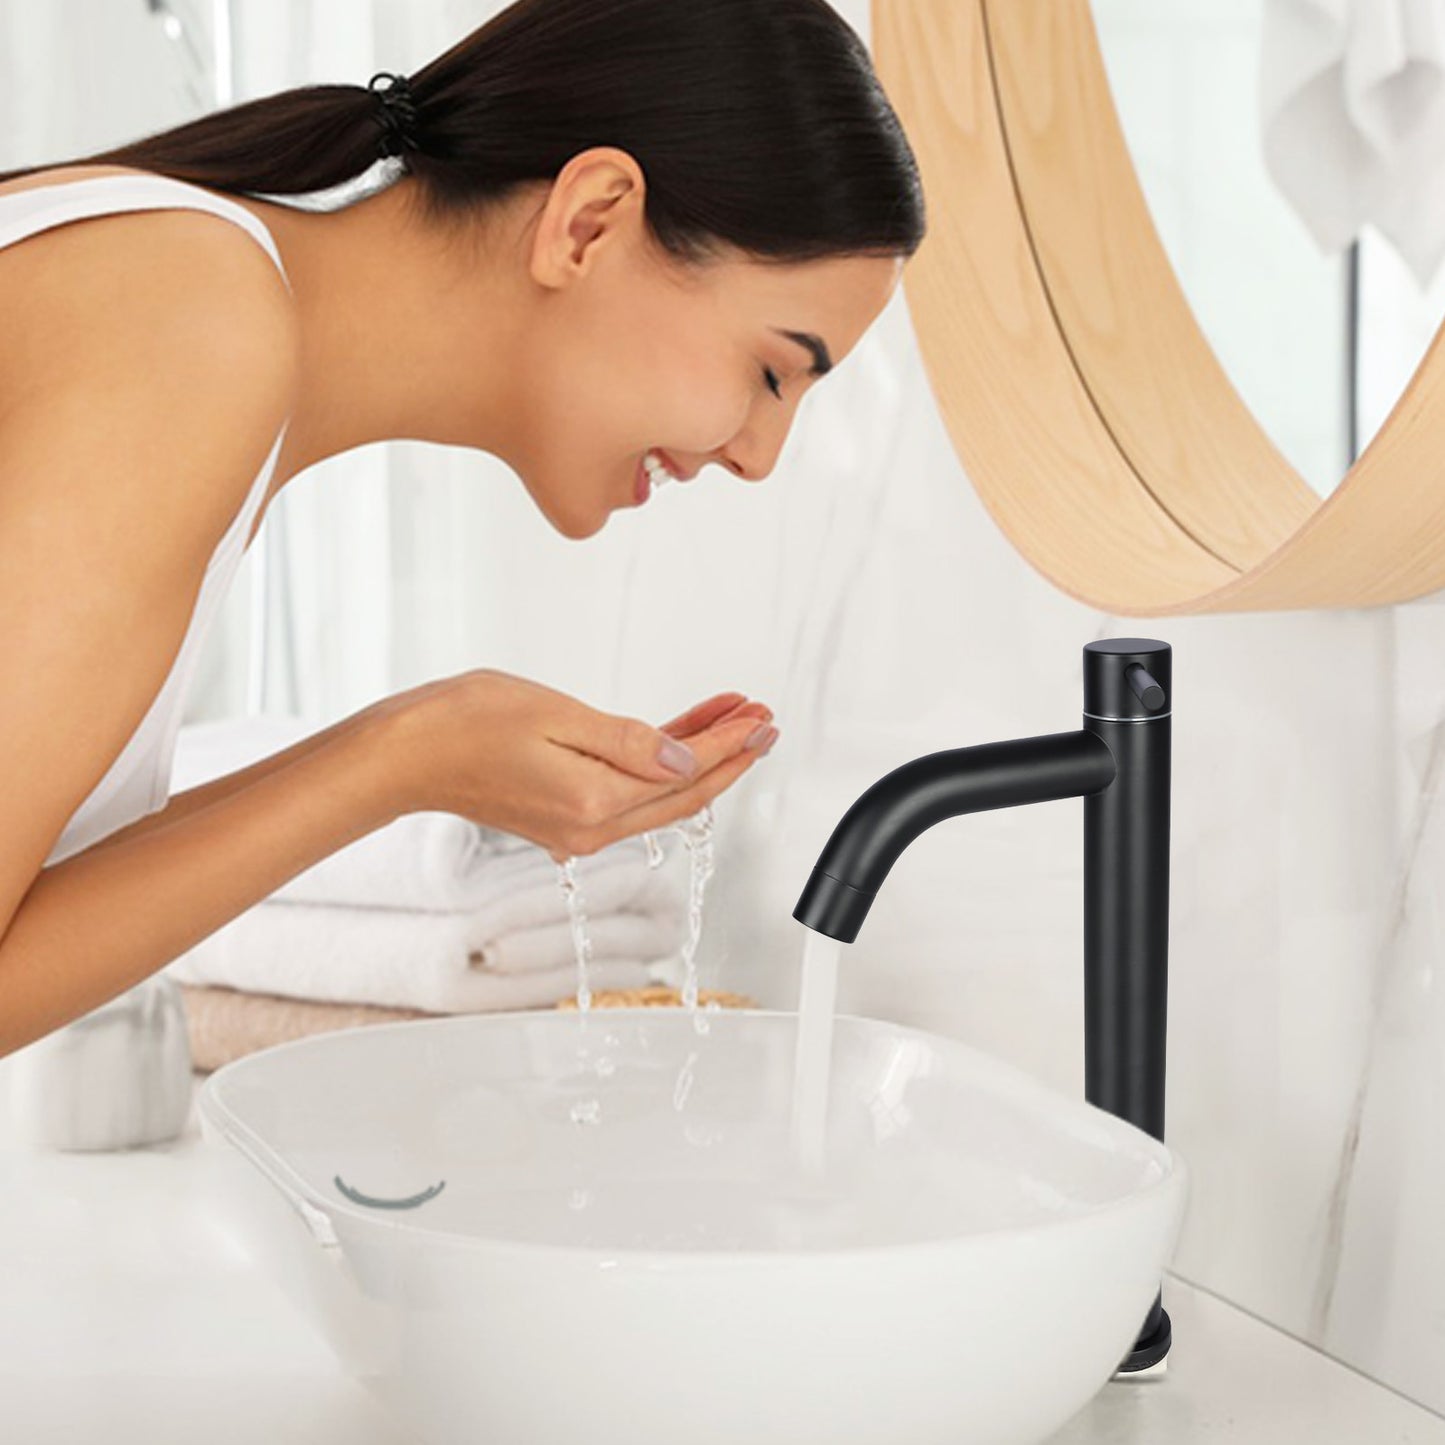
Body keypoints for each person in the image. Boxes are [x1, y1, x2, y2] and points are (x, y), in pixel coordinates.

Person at [0, 0, 926, 1059]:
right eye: (771, 370)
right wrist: (401, 757)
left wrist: (417, 748)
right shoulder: (195, 327)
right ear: (589, 221)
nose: (759, 455)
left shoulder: (195, 290)